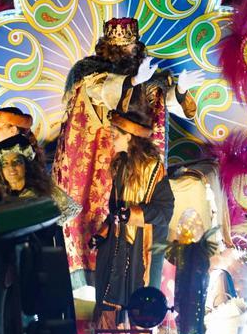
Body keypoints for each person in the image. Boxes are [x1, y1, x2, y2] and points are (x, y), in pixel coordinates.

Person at [53, 17, 202, 288]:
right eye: (123, 48)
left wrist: (179, 91)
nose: (129, 52)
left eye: (132, 47)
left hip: (138, 161)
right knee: (99, 214)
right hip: (100, 157)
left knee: (136, 218)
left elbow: (162, 101)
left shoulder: (149, 73)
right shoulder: (87, 71)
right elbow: (98, 93)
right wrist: (131, 80)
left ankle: (137, 284)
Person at [92, 111, 175, 328]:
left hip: (143, 245)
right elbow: (113, 210)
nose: (112, 138)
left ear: (129, 136)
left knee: (141, 303)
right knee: (109, 295)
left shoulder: (153, 168)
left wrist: (134, 215)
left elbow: (165, 210)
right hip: (118, 244)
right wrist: (102, 234)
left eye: (115, 134)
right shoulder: (120, 164)